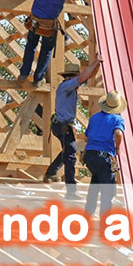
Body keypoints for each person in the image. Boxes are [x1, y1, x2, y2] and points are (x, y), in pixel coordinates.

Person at [16, 0, 88, 84]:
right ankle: (38, 79)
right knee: (46, 50)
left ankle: (23, 73)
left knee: (31, 46)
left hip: (35, 19)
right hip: (48, 23)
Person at [43, 57, 102, 196]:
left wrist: (97, 64)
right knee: (70, 155)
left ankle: (51, 172)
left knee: (67, 150)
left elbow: (88, 76)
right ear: (72, 77)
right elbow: (82, 77)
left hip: (60, 125)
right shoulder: (66, 86)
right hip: (63, 125)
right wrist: (94, 62)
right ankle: (71, 190)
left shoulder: (68, 86)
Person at [83, 92, 127, 219]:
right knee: (107, 191)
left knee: (95, 181)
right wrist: (117, 147)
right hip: (104, 156)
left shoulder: (95, 117)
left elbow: (86, 137)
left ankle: (88, 213)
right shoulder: (117, 119)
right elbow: (118, 134)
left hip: (90, 155)